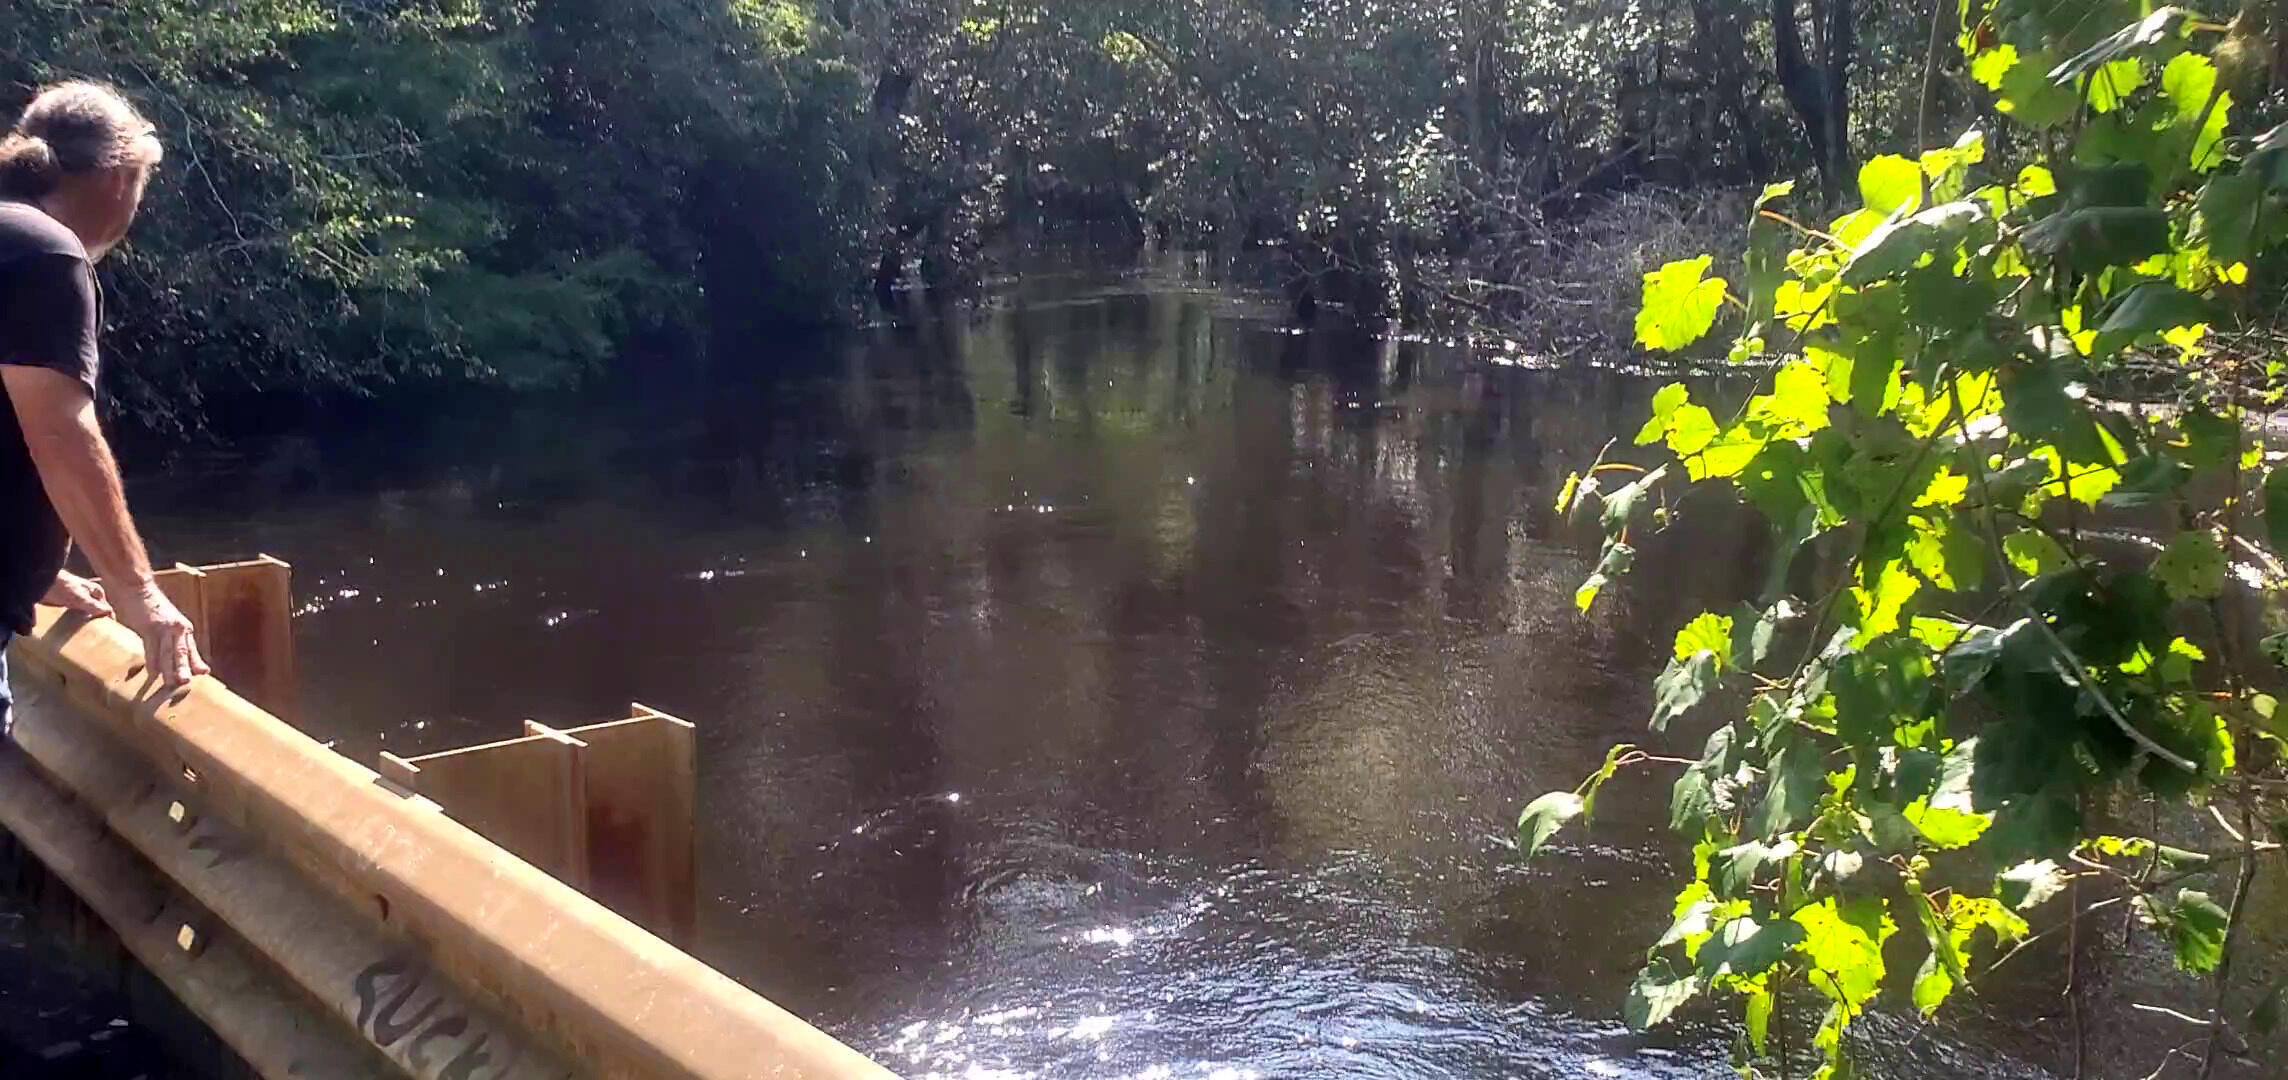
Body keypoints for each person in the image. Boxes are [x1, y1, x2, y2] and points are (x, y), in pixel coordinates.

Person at [0, 81, 206, 735]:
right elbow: (59, 429)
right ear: (121, 177)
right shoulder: (42, 255)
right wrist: (137, 593)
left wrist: (26, 569)